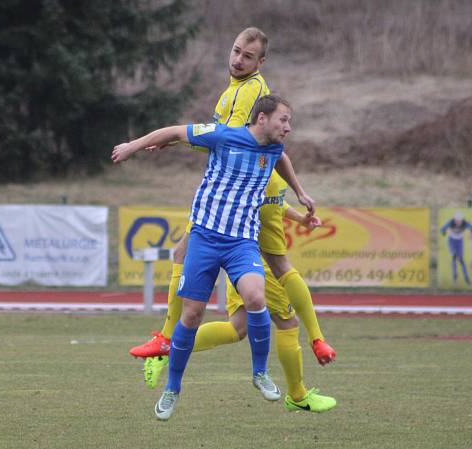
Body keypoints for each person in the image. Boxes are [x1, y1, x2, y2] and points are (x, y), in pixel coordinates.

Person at [129, 27, 336, 387]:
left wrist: (176, 141)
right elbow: (225, 139)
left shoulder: (252, 91)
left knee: (279, 303)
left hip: (250, 200)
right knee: (241, 322)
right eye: (236, 51)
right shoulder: (235, 88)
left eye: (247, 56)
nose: (238, 59)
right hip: (247, 197)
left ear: (260, 62)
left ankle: (302, 375)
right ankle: (169, 344)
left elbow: (238, 143)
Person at [112, 94, 312, 420]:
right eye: (283, 120)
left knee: (255, 297)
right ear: (261, 119)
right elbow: (176, 132)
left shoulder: (273, 147)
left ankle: (260, 373)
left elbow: (282, 159)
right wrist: (133, 147)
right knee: (191, 316)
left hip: (242, 243)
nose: (288, 127)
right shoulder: (223, 135)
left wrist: (300, 192)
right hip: (204, 238)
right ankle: (172, 389)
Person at [144, 203, 337, 413]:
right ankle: (298, 395)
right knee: (287, 322)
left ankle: (167, 350)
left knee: (238, 327)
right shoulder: (258, 173)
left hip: (240, 260)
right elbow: (271, 195)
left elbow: (276, 199)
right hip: (259, 262)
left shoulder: (245, 180)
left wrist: (299, 218)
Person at [440, 211, 471, 286]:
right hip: (452, 241)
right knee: (454, 256)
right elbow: (442, 229)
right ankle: (454, 275)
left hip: (460, 242)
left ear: (461, 220)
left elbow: (470, 227)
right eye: (456, 220)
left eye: (459, 221)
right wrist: (444, 232)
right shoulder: (451, 222)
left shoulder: (465, 223)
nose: (458, 222)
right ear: (454, 219)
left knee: (461, 260)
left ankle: (466, 277)